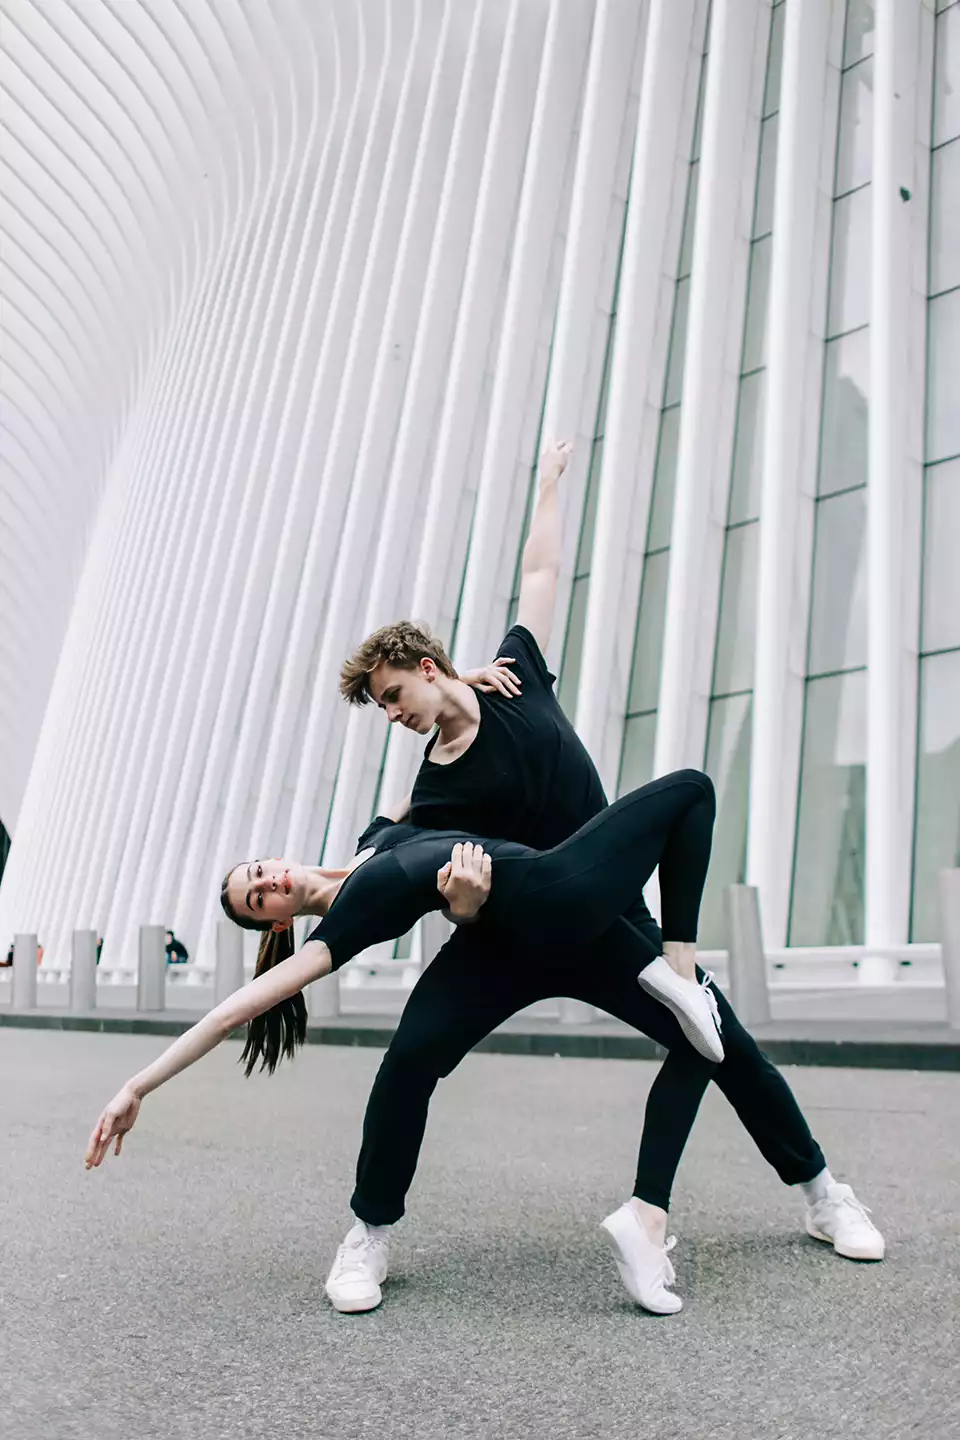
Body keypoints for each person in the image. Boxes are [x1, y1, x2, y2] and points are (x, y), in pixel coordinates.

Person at [321, 438, 883, 1313]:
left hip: (607, 920)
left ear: (427, 667)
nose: (392, 715)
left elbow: (542, 572)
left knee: (717, 1039)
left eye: (394, 695)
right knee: (409, 1062)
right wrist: (357, 889)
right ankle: (369, 1236)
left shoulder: (515, 678)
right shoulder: (428, 792)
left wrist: (548, 484)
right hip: (508, 937)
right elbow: (372, 859)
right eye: (384, 709)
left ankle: (822, 1195)